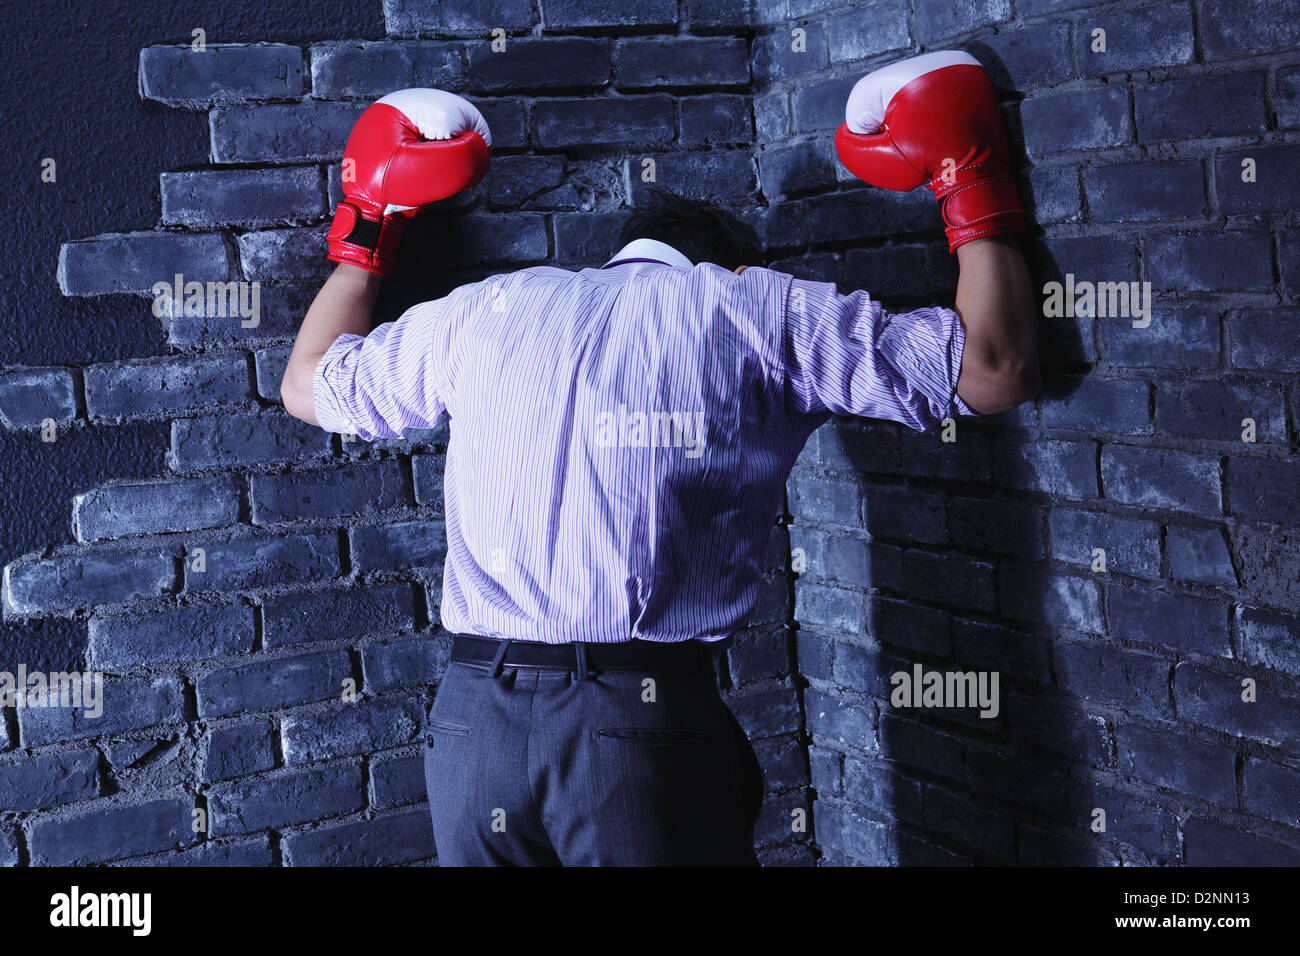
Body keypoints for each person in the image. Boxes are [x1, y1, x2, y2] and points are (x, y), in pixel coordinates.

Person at [280, 50, 1040, 866]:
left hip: (471, 731)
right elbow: (992, 369)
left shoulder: (486, 310)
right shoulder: (748, 305)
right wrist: (971, 177)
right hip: (630, 725)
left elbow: (307, 386)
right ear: (734, 264)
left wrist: (370, 220)